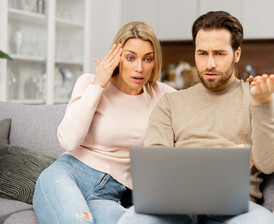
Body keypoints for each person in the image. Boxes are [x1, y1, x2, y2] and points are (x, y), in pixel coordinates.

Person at [117, 11, 274, 224]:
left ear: (236, 54)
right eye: (202, 53)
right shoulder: (171, 103)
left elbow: (270, 163)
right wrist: (223, 158)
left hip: (237, 210)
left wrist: (262, 103)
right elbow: (155, 172)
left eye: (219, 54)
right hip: (176, 205)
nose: (209, 64)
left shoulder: (258, 95)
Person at [33, 21, 176, 224]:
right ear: (117, 58)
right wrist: (98, 84)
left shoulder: (162, 95)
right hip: (67, 176)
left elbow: (201, 115)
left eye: (148, 59)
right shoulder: (89, 82)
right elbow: (68, 141)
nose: (139, 68)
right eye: (130, 57)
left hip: (109, 194)